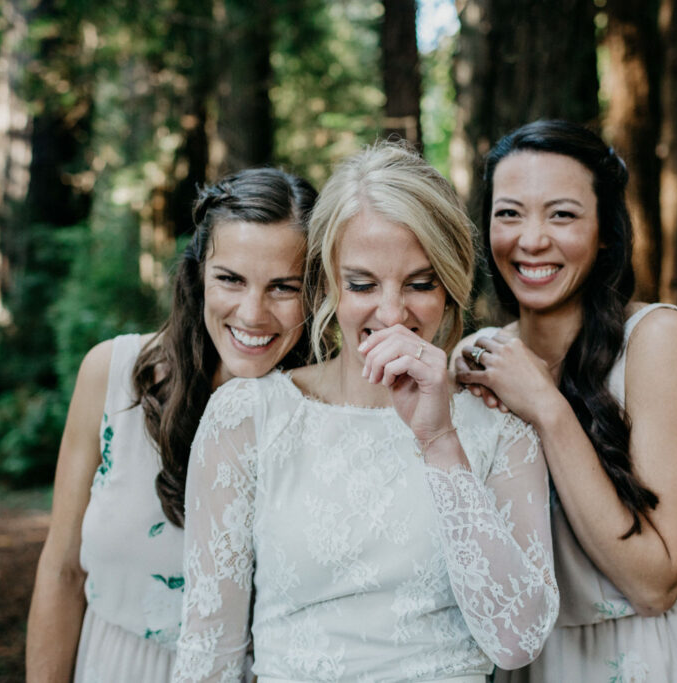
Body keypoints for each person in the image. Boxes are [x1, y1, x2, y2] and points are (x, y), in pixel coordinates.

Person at [173, 142, 559, 683]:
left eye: (420, 283)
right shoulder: (248, 416)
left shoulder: (501, 425)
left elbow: (519, 642)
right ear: (328, 281)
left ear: (451, 285)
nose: (393, 312)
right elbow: (208, 649)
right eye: (362, 284)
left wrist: (440, 442)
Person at [25, 168, 317, 683]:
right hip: (112, 665)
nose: (253, 313)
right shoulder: (112, 375)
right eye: (230, 279)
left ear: (316, 292)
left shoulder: (328, 411)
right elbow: (62, 569)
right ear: (198, 274)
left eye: (283, 287)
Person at [453, 119, 677, 682]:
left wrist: (546, 407)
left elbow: (655, 584)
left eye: (562, 215)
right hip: (518, 662)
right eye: (509, 213)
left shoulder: (656, 341)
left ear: (605, 234)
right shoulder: (479, 358)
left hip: (636, 657)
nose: (531, 240)